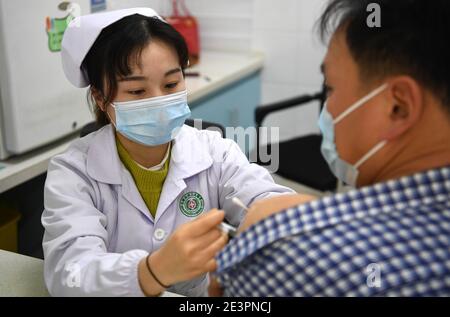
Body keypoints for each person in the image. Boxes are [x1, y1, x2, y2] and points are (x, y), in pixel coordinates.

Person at [42, 8, 294, 297]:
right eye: (137, 91)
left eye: (171, 84)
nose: (159, 101)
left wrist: (277, 218)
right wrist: (153, 270)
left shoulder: (216, 151)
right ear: (100, 97)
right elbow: (69, 275)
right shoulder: (74, 171)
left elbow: (262, 197)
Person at [213, 0, 450, 296]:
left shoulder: (295, 259)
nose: (328, 109)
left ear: (397, 107)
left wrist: (268, 240)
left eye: (332, 88)